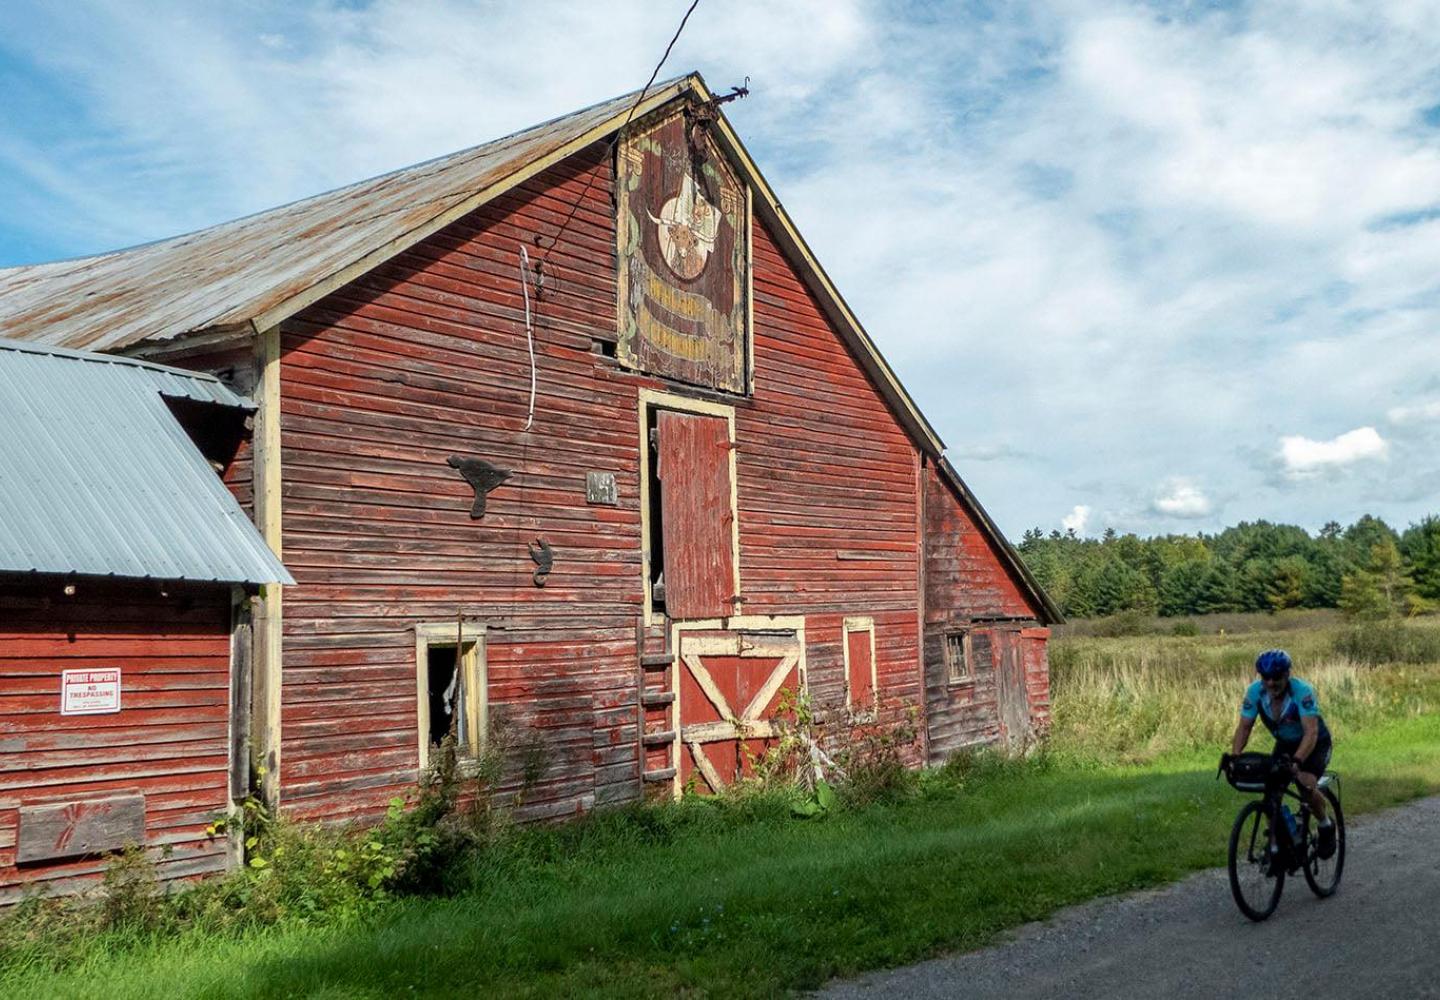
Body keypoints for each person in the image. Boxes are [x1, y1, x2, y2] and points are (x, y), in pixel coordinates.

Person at [1229, 649, 1337, 859]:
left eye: (1276, 677)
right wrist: (1235, 757)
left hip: (1315, 744)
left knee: (1305, 784)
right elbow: (1244, 727)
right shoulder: (1254, 693)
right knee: (1271, 792)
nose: (1271, 683)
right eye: (1266, 678)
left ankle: (1325, 825)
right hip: (1285, 745)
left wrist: (1297, 762)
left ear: (1287, 674)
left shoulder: (1301, 691)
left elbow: (1311, 732)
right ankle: (1278, 844)